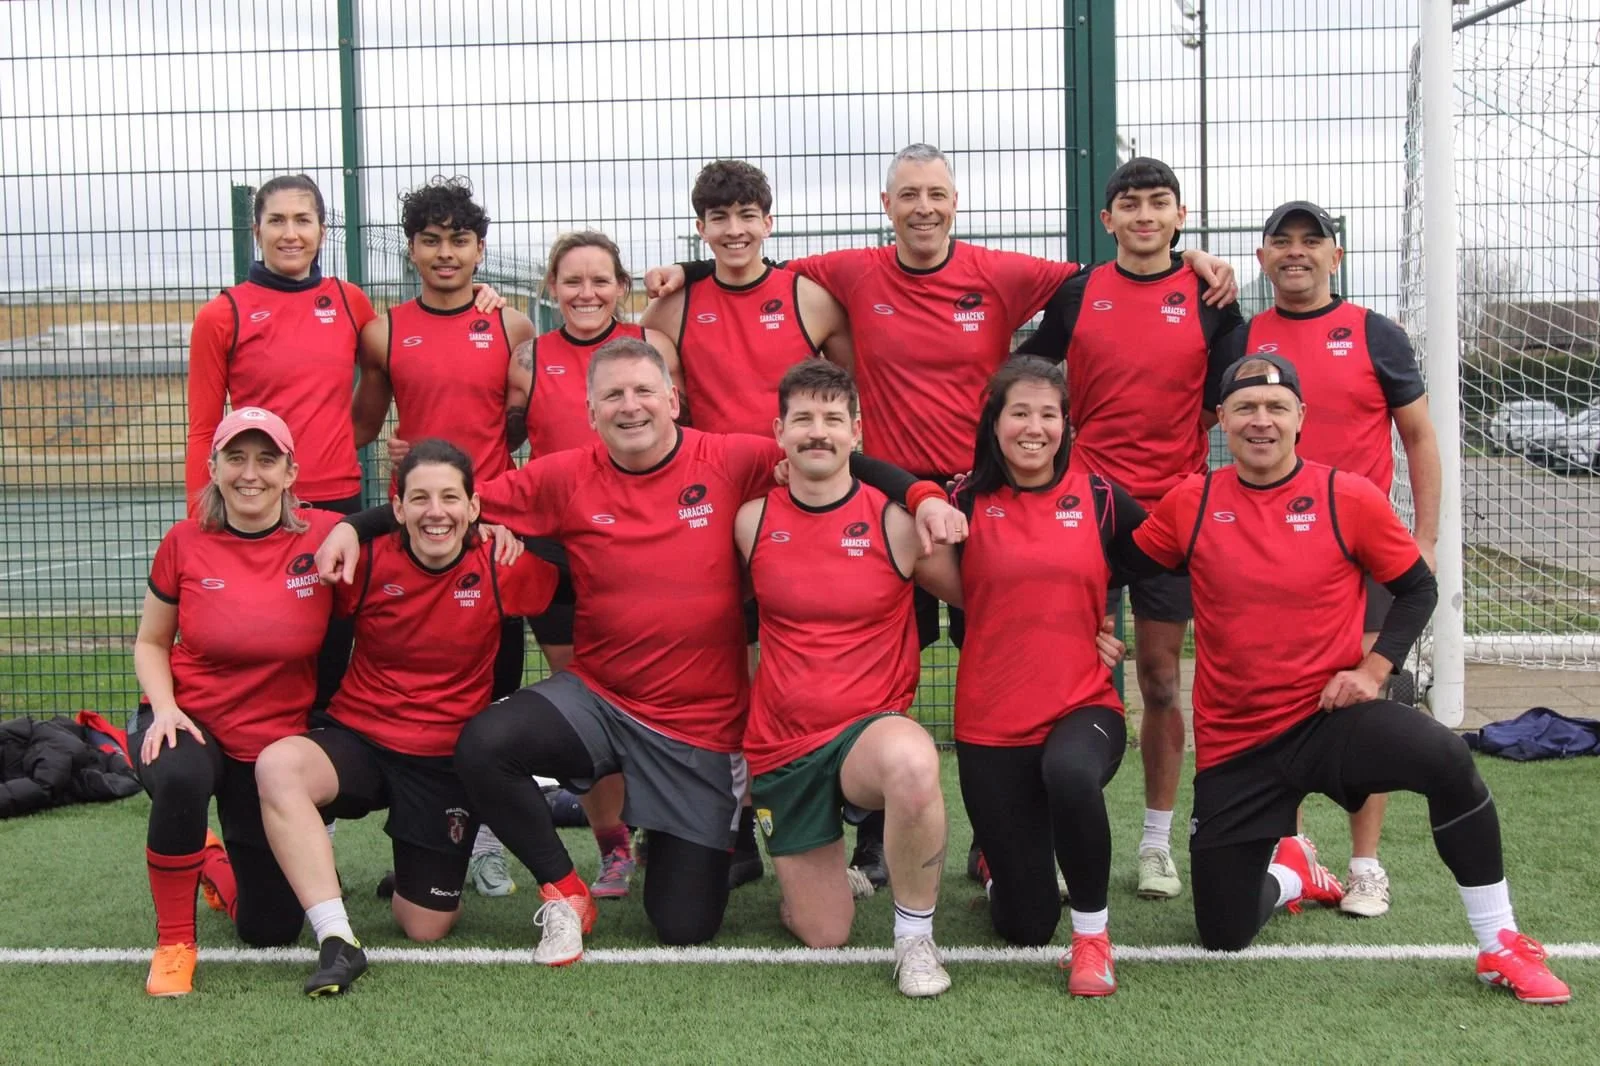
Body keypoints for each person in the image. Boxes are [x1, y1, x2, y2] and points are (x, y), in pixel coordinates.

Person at [650, 144, 1237, 885]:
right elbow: (752, 266)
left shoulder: (1005, 273)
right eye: (908, 194)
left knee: (1005, 650)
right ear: (885, 205)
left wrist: (1196, 260)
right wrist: (689, 272)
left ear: (955, 202)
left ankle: (1006, 837)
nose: (923, 206)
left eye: (936, 192)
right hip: (888, 500)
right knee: (879, 661)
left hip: (980, 501)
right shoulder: (852, 271)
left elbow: (1119, 270)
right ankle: (869, 832)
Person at [313, 337, 959, 964]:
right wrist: (353, 524)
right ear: (590, 414)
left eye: (644, 391)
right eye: (612, 395)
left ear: (673, 399)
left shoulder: (732, 459)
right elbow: (455, 498)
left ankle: (670, 836)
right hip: (598, 697)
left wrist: (923, 495)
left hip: (698, 728)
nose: (631, 405)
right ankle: (566, 893)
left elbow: (834, 455)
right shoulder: (564, 476)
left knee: (684, 926)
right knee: (486, 743)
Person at [1131, 354, 1567, 1005]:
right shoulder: (1190, 502)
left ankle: (1500, 940)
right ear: (1221, 419)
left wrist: (1373, 668)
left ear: (1301, 419)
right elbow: (1118, 562)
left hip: (1328, 720)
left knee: (1445, 756)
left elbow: (1417, 589)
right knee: (1221, 933)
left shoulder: (1347, 496)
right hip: (1236, 746)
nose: (1261, 421)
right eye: (1245, 408)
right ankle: (1294, 872)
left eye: (1277, 408)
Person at [185, 173, 501, 711]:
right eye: (277, 220)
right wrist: (202, 518)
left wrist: (479, 296)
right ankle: (249, 764)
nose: (291, 233)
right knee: (257, 644)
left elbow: (408, 371)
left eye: (303, 220)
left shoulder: (349, 302)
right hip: (258, 502)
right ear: (255, 228)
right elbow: (202, 429)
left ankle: (320, 766)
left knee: (332, 647)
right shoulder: (223, 314)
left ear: (322, 231)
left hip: (337, 506)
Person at [1017, 157, 1244, 902]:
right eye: (1130, 204)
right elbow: (1032, 376)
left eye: (1159, 203)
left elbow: (1231, 398)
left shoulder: (1210, 297)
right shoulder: (1080, 292)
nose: (1145, 215)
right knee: (1061, 678)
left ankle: (1154, 844)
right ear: (1107, 219)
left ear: (1179, 216)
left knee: (1157, 680)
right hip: (1085, 509)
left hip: (1172, 513)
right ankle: (1047, 838)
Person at [255, 439, 557, 997]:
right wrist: (350, 528)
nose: (434, 511)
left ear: (473, 507)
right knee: (277, 765)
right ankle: (337, 939)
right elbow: (293, 552)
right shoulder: (365, 561)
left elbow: (573, 554)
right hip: (361, 741)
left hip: (444, 760)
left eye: (449, 498)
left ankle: (414, 875)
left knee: (425, 926)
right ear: (396, 508)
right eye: (418, 498)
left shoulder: (503, 562)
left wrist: (517, 531)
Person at [1212, 200, 1443, 917]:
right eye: (1281, 241)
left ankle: (1366, 864)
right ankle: (1294, 851)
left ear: (1335, 257)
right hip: (1268, 556)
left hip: (1362, 555)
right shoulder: (1241, 336)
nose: (1296, 252)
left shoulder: (1376, 333)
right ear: (1261, 259)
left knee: (1359, 704)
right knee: (1282, 699)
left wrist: (1424, 542)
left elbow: (1421, 439)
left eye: (1312, 241)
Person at [640, 159, 855, 890]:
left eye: (746, 216)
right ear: (701, 229)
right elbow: (658, 397)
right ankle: (726, 829)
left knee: (806, 663)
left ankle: (851, 826)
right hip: (708, 518)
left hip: (804, 513)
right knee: (719, 668)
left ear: (769, 219)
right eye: (718, 219)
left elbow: (853, 398)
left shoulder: (810, 298)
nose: (734, 231)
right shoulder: (673, 306)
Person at [929, 358, 1150, 997]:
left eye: (1048, 414)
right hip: (991, 725)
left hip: (1084, 705)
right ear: (993, 424)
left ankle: (1092, 940)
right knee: (1024, 925)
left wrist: (1114, 625)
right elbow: (894, 534)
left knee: (1070, 773)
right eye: (1018, 413)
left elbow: (1163, 555)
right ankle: (1004, 861)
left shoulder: (1101, 497)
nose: (1034, 427)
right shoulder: (962, 502)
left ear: (1066, 424)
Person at [737, 361, 953, 997]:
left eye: (833, 420)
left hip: (865, 734)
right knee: (824, 931)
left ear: (857, 432)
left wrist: (1089, 632)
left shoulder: (896, 522)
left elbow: (987, 600)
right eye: (802, 419)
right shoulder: (748, 521)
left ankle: (916, 940)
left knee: (913, 763)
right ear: (778, 431)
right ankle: (820, 874)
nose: (817, 433)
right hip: (782, 748)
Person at [349, 176, 538, 898]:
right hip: (412, 528)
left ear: (480, 248)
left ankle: (486, 840)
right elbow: (362, 423)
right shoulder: (384, 331)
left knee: (494, 692)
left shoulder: (512, 326)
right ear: (412, 250)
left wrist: (471, 447)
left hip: (490, 531)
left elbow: (521, 421)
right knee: (400, 671)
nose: (446, 253)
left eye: (459, 239)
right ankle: (400, 823)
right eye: (431, 239)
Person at [131, 407, 343, 997]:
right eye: (236, 458)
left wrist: (354, 527)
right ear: (214, 468)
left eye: (266, 459)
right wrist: (165, 707)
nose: (251, 474)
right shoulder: (183, 541)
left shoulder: (323, 534)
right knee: (180, 777)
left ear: (290, 471)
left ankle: (209, 858)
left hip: (270, 744)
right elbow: (151, 642)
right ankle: (175, 942)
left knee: (270, 929)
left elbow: (399, 522)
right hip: (188, 720)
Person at [500, 230, 682, 901]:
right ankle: (614, 849)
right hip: (560, 552)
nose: (585, 293)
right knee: (586, 704)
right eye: (571, 281)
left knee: (661, 692)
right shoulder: (529, 357)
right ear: (552, 288)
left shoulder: (650, 348)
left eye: (600, 280)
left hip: (645, 544)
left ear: (622, 287)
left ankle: (674, 827)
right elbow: (505, 439)